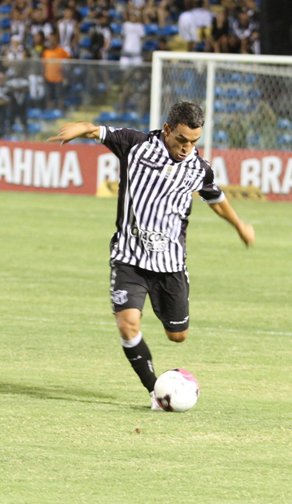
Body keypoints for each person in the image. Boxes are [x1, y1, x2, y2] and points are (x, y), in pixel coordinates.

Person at [47, 102, 255, 410]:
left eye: (193, 142)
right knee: (128, 324)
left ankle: (173, 378)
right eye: (181, 139)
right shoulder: (136, 145)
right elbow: (98, 131)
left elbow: (216, 197)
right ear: (167, 129)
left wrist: (239, 225)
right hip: (128, 257)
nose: (186, 148)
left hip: (170, 264)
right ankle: (155, 392)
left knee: (177, 335)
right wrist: (82, 128)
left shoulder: (199, 169)